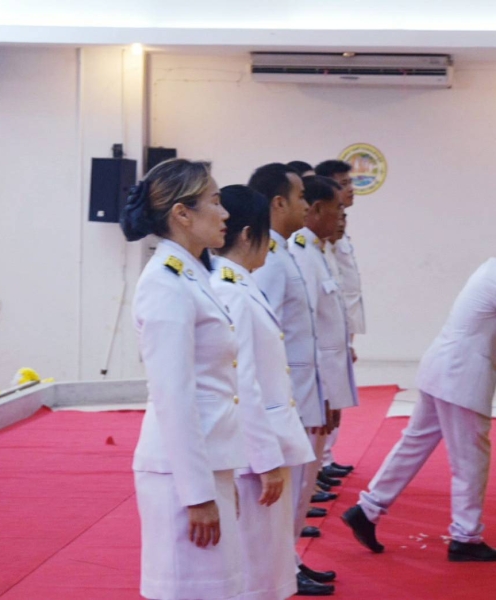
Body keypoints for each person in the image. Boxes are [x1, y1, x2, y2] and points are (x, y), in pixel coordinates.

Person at [342, 217, 496, 562]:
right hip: (461, 377)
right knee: (470, 459)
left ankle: (368, 509)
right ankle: (466, 536)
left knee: (414, 445)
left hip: (444, 370)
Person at [121, 158, 248, 599]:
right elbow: (173, 396)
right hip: (184, 473)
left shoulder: (192, 274)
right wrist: (197, 494)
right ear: (182, 213)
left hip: (208, 460)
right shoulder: (165, 283)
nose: (225, 212)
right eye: (214, 201)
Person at [211, 185, 317, 600]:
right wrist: (265, 459)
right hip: (254, 450)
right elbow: (243, 383)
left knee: (267, 561)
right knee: (255, 565)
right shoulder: (227, 289)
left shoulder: (242, 283)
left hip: (267, 440)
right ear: (247, 233)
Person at [248, 163, 336, 597]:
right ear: (278, 203)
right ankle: (284, 565)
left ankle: (291, 560)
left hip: (302, 390)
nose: (307, 205)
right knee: (291, 489)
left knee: (302, 486)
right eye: (300, 197)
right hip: (286, 396)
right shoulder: (269, 260)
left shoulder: (288, 251)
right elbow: (264, 338)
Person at [290, 177, 359, 470]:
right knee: (304, 462)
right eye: (338, 209)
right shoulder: (302, 251)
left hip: (327, 372)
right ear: (317, 209)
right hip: (315, 375)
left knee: (313, 458)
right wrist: (324, 391)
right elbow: (308, 326)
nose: (342, 218)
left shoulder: (320, 250)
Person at [314, 160, 364, 477]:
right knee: (325, 397)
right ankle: (321, 462)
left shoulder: (339, 232)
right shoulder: (315, 242)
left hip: (339, 328)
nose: (350, 189)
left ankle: (326, 457)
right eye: (343, 183)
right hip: (323, 336)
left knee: (335, 396)